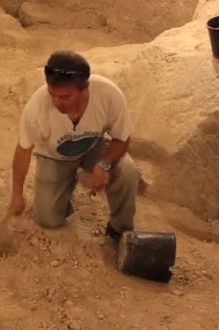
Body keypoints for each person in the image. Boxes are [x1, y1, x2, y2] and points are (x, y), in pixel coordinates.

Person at [8, 50, 140, 243]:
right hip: (54, 156)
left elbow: (122, 136)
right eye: (52, 94)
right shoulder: (37, 106)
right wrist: (17, 195)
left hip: (92, 147)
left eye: (65, 97)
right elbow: (23, 149)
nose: (56, 102)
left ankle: (120, 230)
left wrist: (104, 164)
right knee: (48, 220)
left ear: (85, 88)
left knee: (127, 170)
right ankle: (65, 188)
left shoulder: (108, 94)